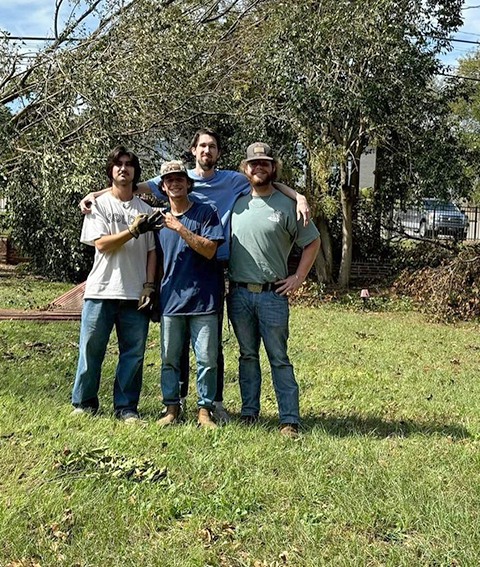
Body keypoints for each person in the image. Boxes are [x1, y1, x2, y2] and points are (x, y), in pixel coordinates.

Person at [80, 130, 311, 421]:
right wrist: (95, 194)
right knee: (177, 353)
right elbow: (128, 185)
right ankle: (173, 405)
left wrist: (299, 196)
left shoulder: (234, 180)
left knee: (211, 349)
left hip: (218, 270)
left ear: (217, 152)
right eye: (202, 145)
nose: (207, 150)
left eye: (213, 146)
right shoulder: (171, 186)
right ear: (193, 150)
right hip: (179, 283)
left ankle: (211, 405)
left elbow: (267, 181)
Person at [228, 142, 321, 438]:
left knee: (278, 357)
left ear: (273, 167)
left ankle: (289, 420)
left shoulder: (287, 206)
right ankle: (249, 412)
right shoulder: (236, 201)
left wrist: (298, 277)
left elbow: (312, 242)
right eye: (254, 163)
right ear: (246, 168)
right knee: (246, 355)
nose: (259, 168)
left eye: (265, 163)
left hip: (273, 295)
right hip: (239, 294)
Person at [70, 147, 162, 419]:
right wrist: (132, 230)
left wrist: (149, 285)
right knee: (91, 351)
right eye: (118, 164)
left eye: (129, 165)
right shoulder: (98, 205)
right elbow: (102, 244)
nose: (124, 168)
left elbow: (151, 252)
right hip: (101, 290)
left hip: (135, 294)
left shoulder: (145, 209)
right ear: (110, 171)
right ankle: (84, 404)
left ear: (135, 172)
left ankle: (126, 408)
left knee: (132, 356)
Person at [154, 160, 225, 429]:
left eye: (179, 178)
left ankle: (204, 410)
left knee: (206, 359)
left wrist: (180, 227)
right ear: (162, 186)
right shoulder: (157, 220)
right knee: (170, 359)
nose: (175, 183)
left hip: (204, 300)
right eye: (169, 179)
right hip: (170, 299)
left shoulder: (206, 212)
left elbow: (209, 250)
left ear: (188, 183)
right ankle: (171, 408)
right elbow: (153, 258)